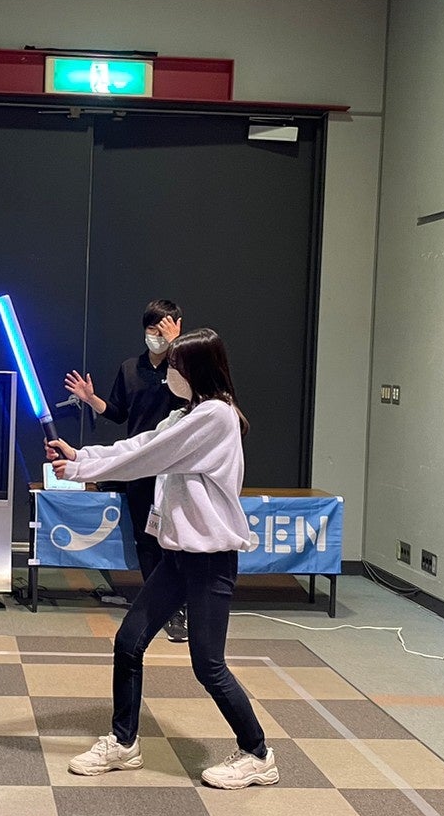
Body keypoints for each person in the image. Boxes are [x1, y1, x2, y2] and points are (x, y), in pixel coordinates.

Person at [49, 327, 277, 789]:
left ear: (197, 370)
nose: (168, 372)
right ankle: (124, 742)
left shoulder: (216, 416)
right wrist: (81, 454)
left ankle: (257, 753)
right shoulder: (185, 414)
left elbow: (150, 458)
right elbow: (137, 444)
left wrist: (77, 470)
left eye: (175, 365)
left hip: (210, 559)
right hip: (177, 557)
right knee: (128, 642)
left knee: (208, 665)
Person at [64, 299, 189, 642]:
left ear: (177, 328)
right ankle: (158, 605)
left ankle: (179, 607)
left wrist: (176, 346)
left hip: (175, 466)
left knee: (175, 538)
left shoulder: (183, 367)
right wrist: (91, 399)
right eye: (152, 329)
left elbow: (196, 401)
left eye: (164, 329)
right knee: (145, 539)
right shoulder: (131, 368)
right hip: (138, 464)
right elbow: (119, 413)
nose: (157, 335)